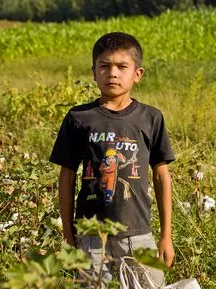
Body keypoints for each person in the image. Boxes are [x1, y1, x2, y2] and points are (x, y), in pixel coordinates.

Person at [49, 32, 175, 288]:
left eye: (121, 66)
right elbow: (67, 176)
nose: (112, 73)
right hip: (92, 237)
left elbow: (162, 176)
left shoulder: (150, 118)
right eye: (104, 66)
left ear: (137, 74)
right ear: (94, 72)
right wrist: (68, 233)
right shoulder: (79, 118)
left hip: (139, 235)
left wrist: (166, 236)